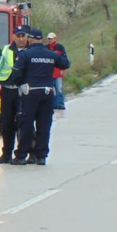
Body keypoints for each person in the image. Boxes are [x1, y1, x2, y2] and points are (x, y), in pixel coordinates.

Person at [10, 28, 70, 165]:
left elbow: (16, 74)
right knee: (44, 125)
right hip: (48, 92)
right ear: (42, 39)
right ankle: (41, 156)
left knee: (26, 124)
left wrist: (20, 84)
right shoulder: (51, 54)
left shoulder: (25, 54)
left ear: (30, 39)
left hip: (30, 92)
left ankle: (21, 156)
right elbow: (65, 63)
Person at [0, 25, 29, 164]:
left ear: (27, 37)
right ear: (14, 37)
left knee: (23, 123)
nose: (20, 39)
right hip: (8, 90)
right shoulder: (7, 50)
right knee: (6, 123)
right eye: (18, 36)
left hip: (24, 92)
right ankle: (6, 154)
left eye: (23, 36)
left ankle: (22, 154)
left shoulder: (30, 51)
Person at [46, 32, 68, 112]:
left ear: (55, 39)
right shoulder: (46, 48)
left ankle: (60, 104)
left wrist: (63, 69)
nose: (50, 40)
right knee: (50, 90)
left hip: (58, 72)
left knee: (59, 89)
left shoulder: (60, 47)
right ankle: (52, 105)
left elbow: (64, 59)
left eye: (51, 39)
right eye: (48, 39)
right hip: (49, 72)